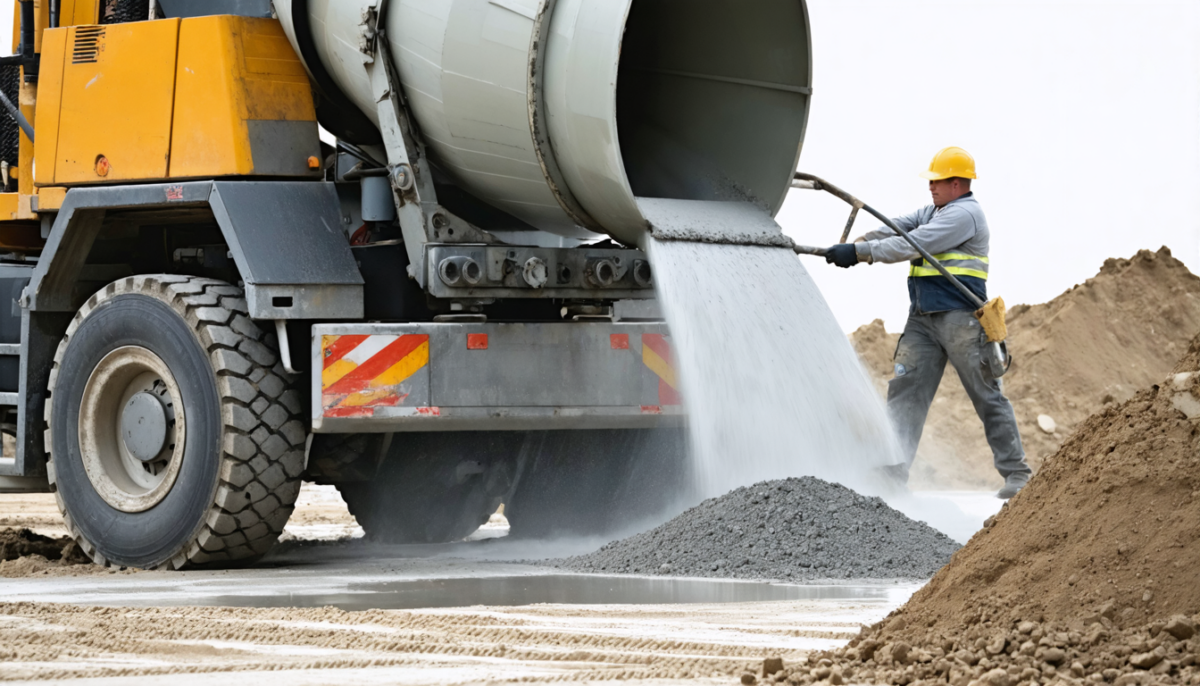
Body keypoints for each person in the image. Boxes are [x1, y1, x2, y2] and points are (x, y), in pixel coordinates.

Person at [823, 147, 1032, 499]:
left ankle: (1018, 474)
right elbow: (896, 227)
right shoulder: (934, 211)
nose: (930, 186)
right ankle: (892, 474)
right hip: (922, 320)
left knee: (986, 395)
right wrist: (860, 242)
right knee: (906, 393)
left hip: (961, 319)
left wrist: (859, 254)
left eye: (937, 181)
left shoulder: (965, 215)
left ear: (956, 184)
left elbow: (914, 243)